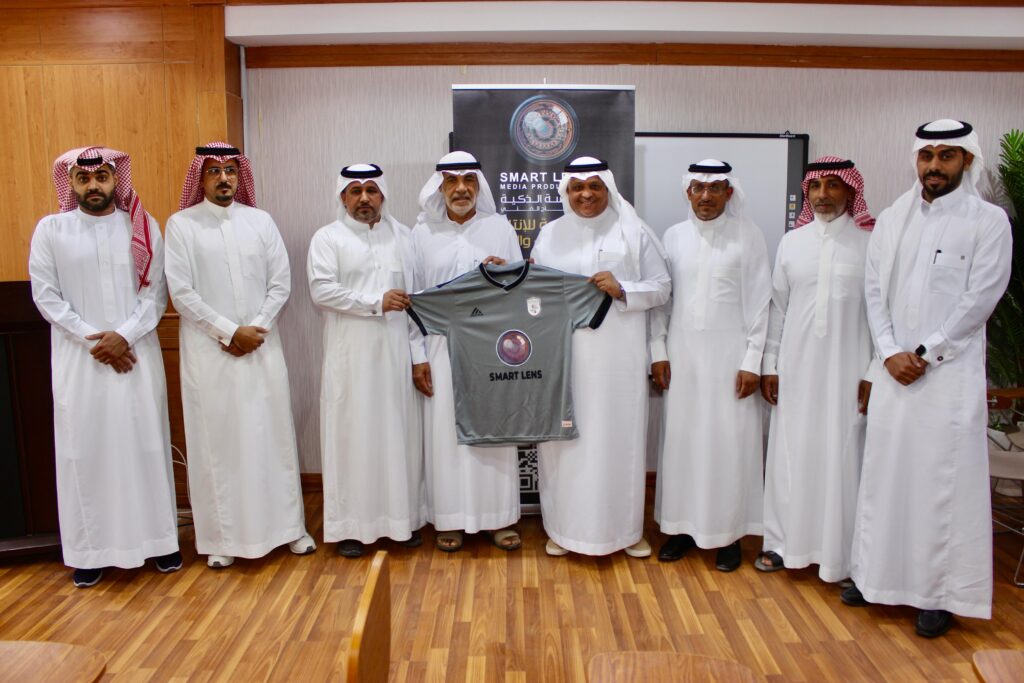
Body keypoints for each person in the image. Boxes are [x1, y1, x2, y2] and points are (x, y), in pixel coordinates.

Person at [844, 120, 1011, 638]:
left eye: (946, 155)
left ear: (967, 160)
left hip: (947, 379)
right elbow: (874, 291)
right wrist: (889, 352)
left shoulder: (988, 222)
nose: (934, 165)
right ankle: (874, 578)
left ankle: (936, 595)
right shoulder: (894, 217)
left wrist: (925, 354)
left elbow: (981, 298)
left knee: (941, 485)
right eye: (927, 155)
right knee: (885, 477)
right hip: (894, 374)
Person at [29, 146, 180, 587]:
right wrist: (95, 339)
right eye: (83, 178)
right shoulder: (51, 230)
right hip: (82, 361)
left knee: (146, 445)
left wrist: (124, 336)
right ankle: (90, 552)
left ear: (116, 179)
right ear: (71, 183)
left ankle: (160, 543)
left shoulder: (142, 227)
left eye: (101, 177)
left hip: (136, 355)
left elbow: (155, 293)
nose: (93, 185)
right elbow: (46, 296)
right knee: (85, 450)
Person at [165, 142, 314, 568]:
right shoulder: (181, 226)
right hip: (209, 353)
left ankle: (289, 529)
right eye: (214, 171)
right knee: (218, 443)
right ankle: (222, 540)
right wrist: (229, 331)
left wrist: (255, 329)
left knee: (272, 436)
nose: (224, 178)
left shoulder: (260, 222)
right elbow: (181, 292)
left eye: (230, 170)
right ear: (200, 178)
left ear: (239, 175)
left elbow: (280, 283)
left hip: (261, 347)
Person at [532, 156, 671, 558]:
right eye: (577, 187)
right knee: (565, 443)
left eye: (594, 186)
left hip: (619, 361)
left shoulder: (634, 231)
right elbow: (534, 294)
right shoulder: (550, 235)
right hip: (564, 359)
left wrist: (623, 288)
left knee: (619, 442)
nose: (586, 194)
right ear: (567, 192)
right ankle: (563, 530)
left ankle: (625, 532)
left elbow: (662, 288)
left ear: (607, 188)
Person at [757, 156, 876, 582]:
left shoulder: (871, 243)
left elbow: (882, 314)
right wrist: (770, 364)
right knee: (790, 454)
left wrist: (874, 371)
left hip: (850, 371)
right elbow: (777, 308)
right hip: (796, 370)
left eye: (833, 185)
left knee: (844, 457)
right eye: (815, 187)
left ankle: (841, 556)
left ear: (850, 190)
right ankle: (781, 543)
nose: (823, 194)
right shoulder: (792, 243)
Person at [651, 159, 771, 571]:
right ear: (688, 192)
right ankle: (680, 528)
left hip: (730, 359)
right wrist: (658, 351)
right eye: (698, 188)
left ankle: (729, 535)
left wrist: (753, 360)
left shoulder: (749, 236)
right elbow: (662, 302)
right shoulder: (673, 236)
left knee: (729, 444)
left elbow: (761, 303)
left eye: (715, 188)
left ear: (728, 193)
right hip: (682, 357)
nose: (706, 196)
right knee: (682, 442)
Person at [308, 163, 425, 558]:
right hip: (350, 357)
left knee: (398, 436)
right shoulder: (328, 238)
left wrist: (418, 357)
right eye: (355, 191)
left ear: (382, 195)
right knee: (352, 437)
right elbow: (322, 291)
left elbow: (415, 301)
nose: (363, 198)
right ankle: (351, 527)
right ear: (342, 197)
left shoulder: (404, 236)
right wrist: (375, 302)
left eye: (371, 190)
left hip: (395, 354)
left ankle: (401, 522)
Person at [410, 151, 522, 552]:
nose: (461, 189)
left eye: (469, 180)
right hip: (440, 345)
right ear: (439, 187)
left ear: (478, 185)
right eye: (452, 181)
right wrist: (417, 355)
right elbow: (412, 299)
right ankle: (450, 518)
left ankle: (497, 519)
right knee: (446, 437)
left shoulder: (499, 228)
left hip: (492, 347)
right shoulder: (421, 233)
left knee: (493, 433)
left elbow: (521, 289)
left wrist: (504, 274)